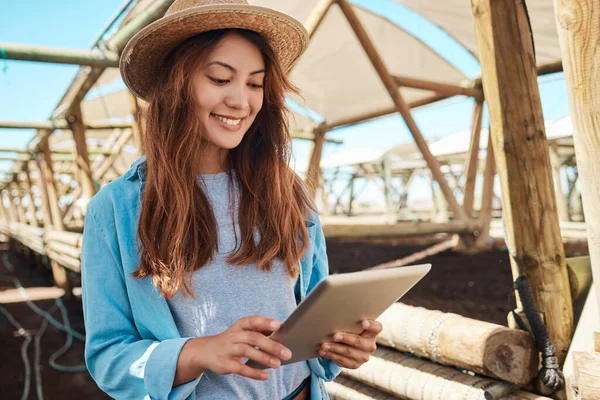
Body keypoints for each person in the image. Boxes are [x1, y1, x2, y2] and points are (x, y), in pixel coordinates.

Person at [81, 1, 382, 399]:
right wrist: (200, 351)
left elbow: (311, 313)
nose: (241, 101)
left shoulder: (288, 193)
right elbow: (109, 356)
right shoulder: (117, 209)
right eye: (221, 79)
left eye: (255, 84)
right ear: (176, 85)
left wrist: (341, 344)